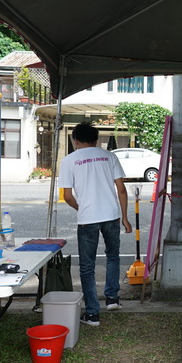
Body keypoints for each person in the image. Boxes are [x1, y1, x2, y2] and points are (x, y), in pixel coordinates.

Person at [58, 122, 132, 326]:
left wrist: (81, 208)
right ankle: (112, 298)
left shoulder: (69, 160)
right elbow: (122, 189)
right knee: (113, 256)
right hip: (111, 215)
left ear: (76, 141)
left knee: (87, 267)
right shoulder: (109, 156)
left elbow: (67, 196)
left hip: (88, 219)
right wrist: (124, 217)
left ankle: (92, 313)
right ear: (96, 139)